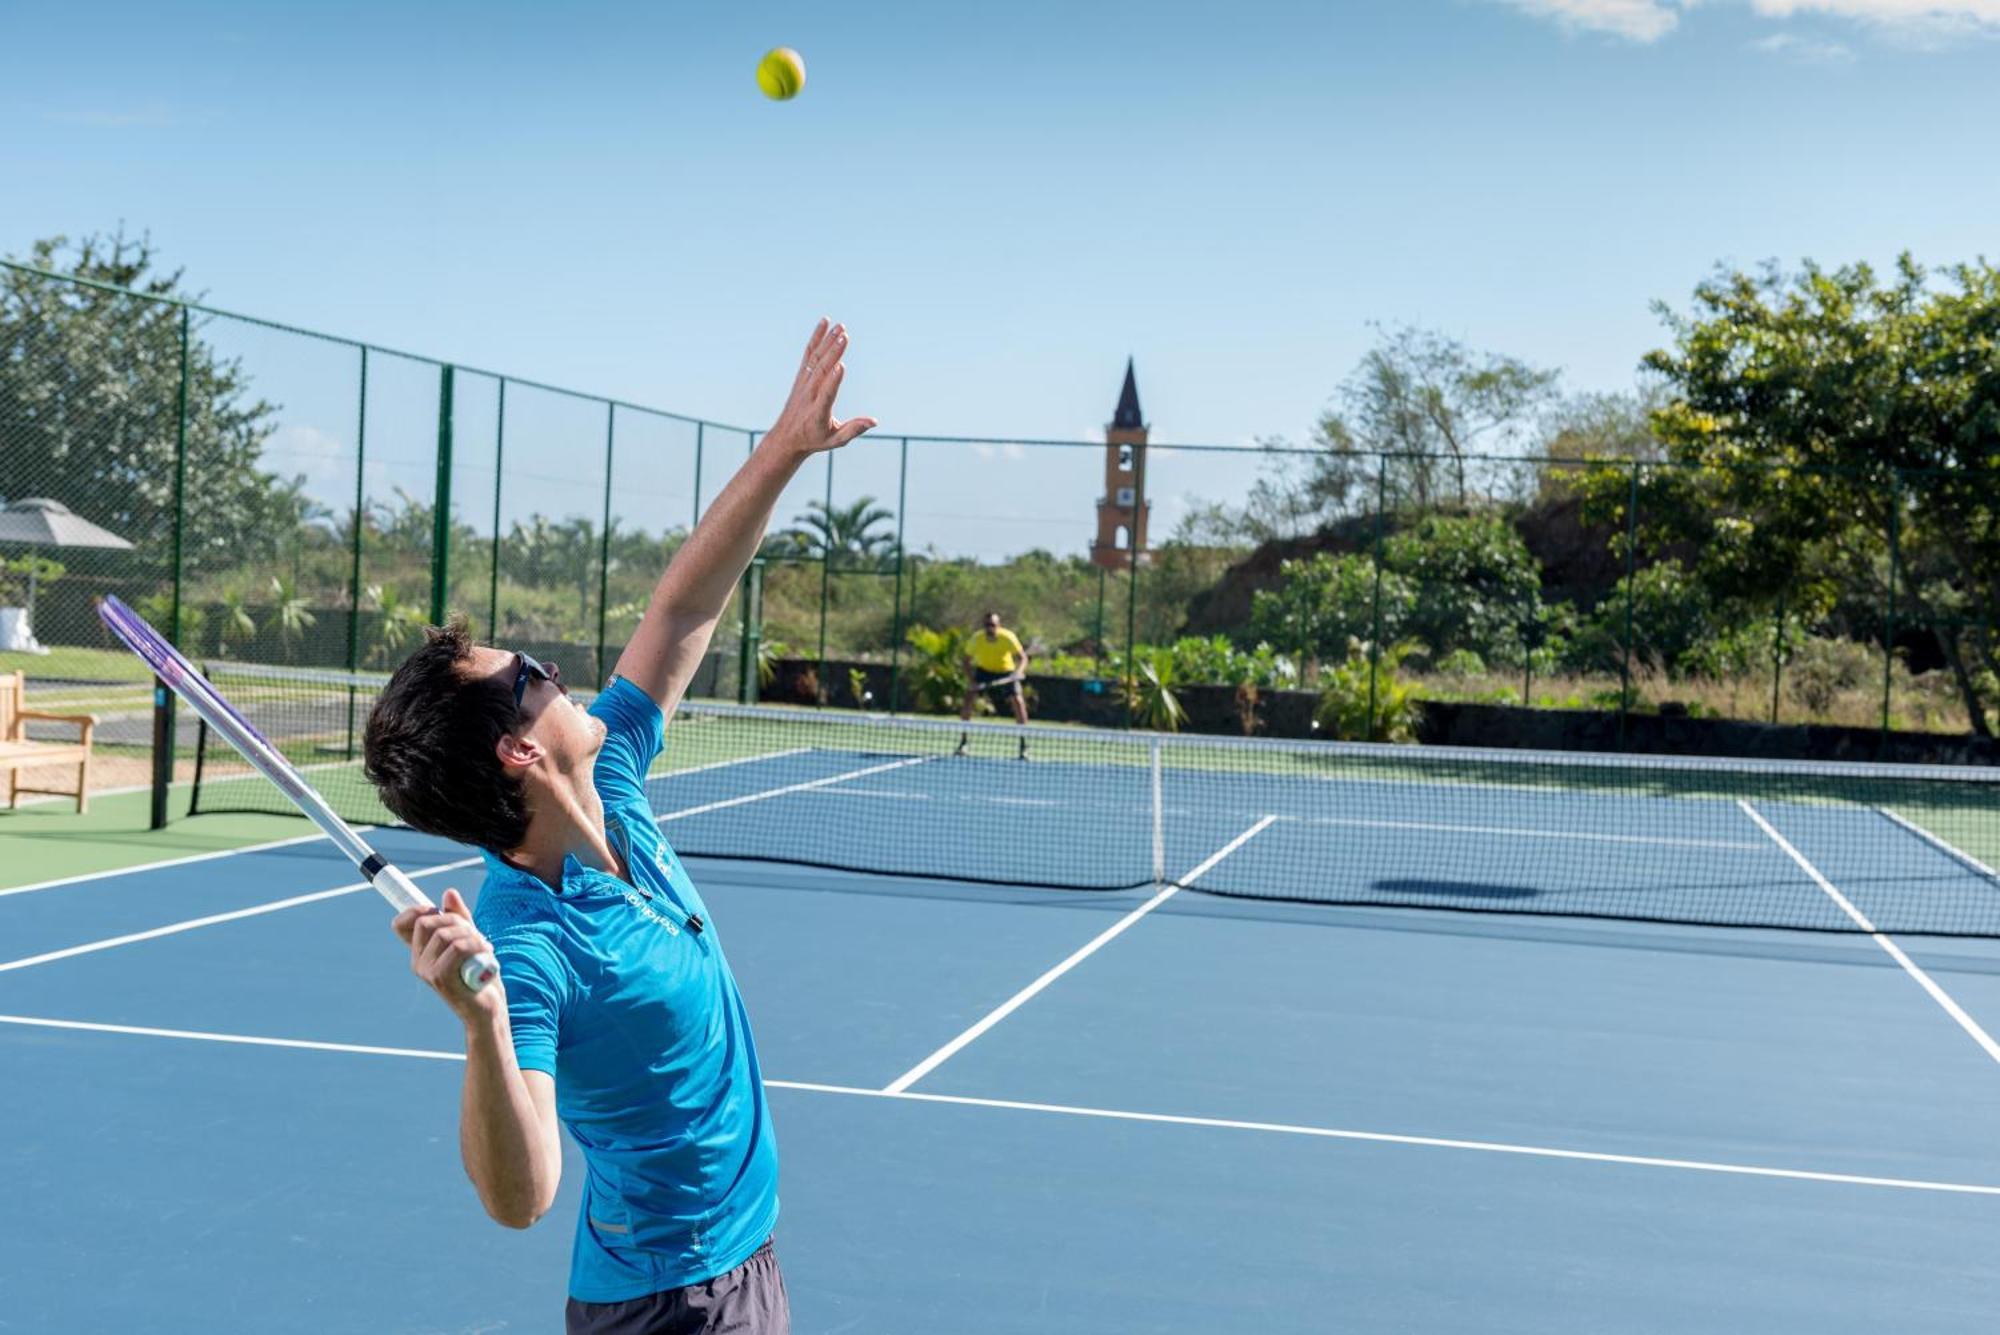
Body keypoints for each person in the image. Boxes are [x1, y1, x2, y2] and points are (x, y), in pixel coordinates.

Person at [362, 320, 873, 1335]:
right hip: (670, 1305)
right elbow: (522, 1196)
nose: (550, 670)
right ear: (519, 750)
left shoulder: (614, 782)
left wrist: (779, 451)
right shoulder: (530, 943)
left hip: (739, 1258)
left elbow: (682, 607)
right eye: (528, 676)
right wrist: (482, 1026)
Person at [957, 610, 1031, 758]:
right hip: (984, 672)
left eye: (992, 625)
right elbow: (966, 661)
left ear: (998, 625)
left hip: (1006, 672)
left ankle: (1024, 744)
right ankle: (963, 742)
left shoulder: (1008, 637)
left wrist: (1017, 673)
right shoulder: (977, 639)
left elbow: (1023, 658)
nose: (989, 628)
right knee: (968, 700)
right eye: (986, 625)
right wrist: (972, 681)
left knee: (1018, 701)